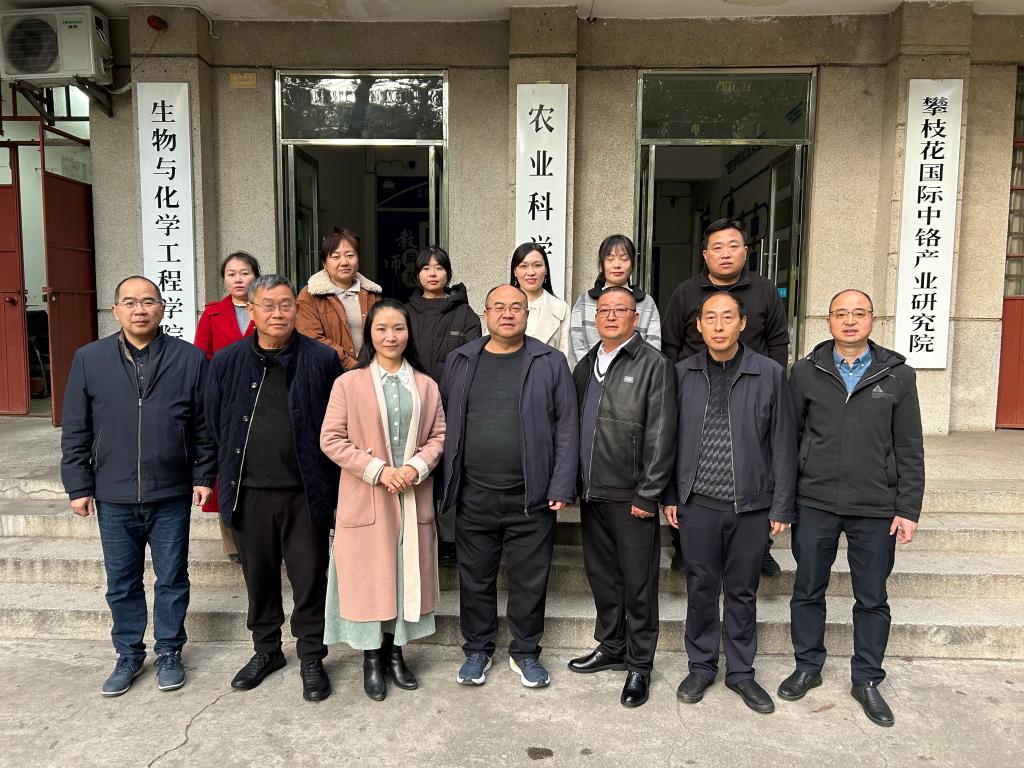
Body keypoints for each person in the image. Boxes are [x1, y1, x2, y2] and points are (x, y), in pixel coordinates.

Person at [61, 275, 215, 697]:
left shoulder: (189, 358)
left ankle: (169, 651)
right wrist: (78, 485)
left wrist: (204, 475)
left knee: (172, 578)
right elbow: (76, 427)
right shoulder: (90, 359)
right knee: (122, 581)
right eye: (130, 302)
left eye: (148, 301)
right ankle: (128, 654)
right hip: (113, 492)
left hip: (171, 490)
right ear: (116, 311)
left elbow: (204, 426)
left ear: (163, 308)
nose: (139, 310)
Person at [780, 289, 924, 728]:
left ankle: (867, 679)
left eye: (858, 313)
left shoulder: (898, 376)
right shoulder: (805, 372)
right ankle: (808, 666)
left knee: (873, 597)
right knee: (808, 589)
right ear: (828, 321)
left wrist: (908, 508)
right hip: (815, 501)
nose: (849, 320)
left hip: (876, 506)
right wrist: (783, 501)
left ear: (872, 320)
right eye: (841, 313)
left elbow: (909, 446)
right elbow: (789, 440)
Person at [205, 274, 344, 702]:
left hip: (305, 492)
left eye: (286, 305)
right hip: (249, 491)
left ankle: (311, 656)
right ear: (251, 309)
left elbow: (338, 421)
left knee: (309, 578)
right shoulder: (227, 361)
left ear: (295, 309)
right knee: (259, 578)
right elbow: (214, 422)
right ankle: (266, 650)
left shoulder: (322, 359)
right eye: (268, 305)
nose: (278, 313)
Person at [663, 291, 796, 716]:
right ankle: (701, 666)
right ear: (698, 326)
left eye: (727, 317)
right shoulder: (681, 373)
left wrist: (782, 505)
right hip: (697, 503)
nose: (718, 326)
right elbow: (667, 440)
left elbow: (783, 442)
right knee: (701, 588)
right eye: (710, 318)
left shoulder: (769, 373)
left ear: (742, 323)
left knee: (742, 591)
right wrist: (670, 494)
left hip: (750, 506)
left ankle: (741, 672)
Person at [442, 284, 579, 689]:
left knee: (529, 581)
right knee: (475, 579)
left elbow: (567, 426)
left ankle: (525, 652)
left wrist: (561, 484)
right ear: (485, 313)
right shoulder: (462, 359)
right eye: (499, 307)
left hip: (530, 498)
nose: (507, 314)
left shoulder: (549, 361)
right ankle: (477, 649)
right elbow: (445, 419)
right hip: (474, 495)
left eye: (516, 307)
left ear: (527, 314)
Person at [320, 300, 446, 701]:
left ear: (409, 333)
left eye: (398, 329)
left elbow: (439, 437)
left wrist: (414, 467)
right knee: (370, 579)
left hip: (411, 495)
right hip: (366, 495)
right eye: (381, 329)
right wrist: (378, 469)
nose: (390, 337)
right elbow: (331, 439)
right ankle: (371, 658)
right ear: (369, 335)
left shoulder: (425, 385)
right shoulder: (348, 383)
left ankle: (396, 654)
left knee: (404, 575)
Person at [661, 218, 791, 577]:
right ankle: (685, 546)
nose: (725, 253)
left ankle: (759, 549)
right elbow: (671, 344)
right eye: (717, 247)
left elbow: (778, 341)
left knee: (752, 465)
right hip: (697, 386)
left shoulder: (764, 290)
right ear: (705, 255)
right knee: (693, 461)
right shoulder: (686, 292)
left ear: (745, 251)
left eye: (733, 246)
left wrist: (772, 381)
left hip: (753, 389)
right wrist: (677, 385)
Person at [569, 286, 677, 708]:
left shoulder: (653, 364)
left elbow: (662, 434)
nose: (611, 316)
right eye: (604, 310)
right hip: (592, 492)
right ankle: (612, 646)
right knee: (603, 577)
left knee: (638, 583)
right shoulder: (586, 365)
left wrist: (648, 494)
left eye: (621, 310)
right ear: (595, 317)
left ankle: (639, 664)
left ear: (636, 317)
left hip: (632, 494)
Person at [404, 245, 481, 563]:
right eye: (426, 268)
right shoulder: (405, 312)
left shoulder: (466, 314)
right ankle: (416, 535)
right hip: (411, 403)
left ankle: (449, 539)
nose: (432, 273)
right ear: (417, 274)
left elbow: (472, 361)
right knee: (416, 466)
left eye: (439, 267)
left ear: (448, 273)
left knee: (450, 468)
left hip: (452, 404)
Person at [193, 250, 260, 563]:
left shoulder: (267, 308)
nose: (238, 279)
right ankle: (232, 542)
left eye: (245, 273)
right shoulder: (212, 314)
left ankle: (263, 538)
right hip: (226, 402)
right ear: (224, 279)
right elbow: (201, 357)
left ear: (256, 276)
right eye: (232, 274)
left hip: (262, 397)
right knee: (227, 470)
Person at [568, 234, 661, 366]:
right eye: (610, 259)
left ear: (632, 264)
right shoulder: (584, 301)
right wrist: (594, 373)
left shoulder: (646, 303)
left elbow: (653, 346)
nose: (617, 265)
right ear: (602, 264)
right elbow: (576, 345)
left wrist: (630, 374)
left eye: (624, 259)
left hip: (634, 376)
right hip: (590, 375)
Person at [296, 227, 382, 369]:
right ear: (324, 263)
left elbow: (383, 334)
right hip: (328, 371)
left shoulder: (372, 295)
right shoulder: (310, 295)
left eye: (350, 255)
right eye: (335, 257)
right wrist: (352, 366)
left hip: (371, 370)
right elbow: (312, 338)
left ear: (358, 260)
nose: (344, 262)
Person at [510, 241, 570, 358]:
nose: (531, 272)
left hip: (548, 370)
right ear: (515, 272)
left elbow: (565, 356)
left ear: (546, 269)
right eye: (523, 266)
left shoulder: (561, 308)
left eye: (537, 265)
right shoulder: (501, 306)